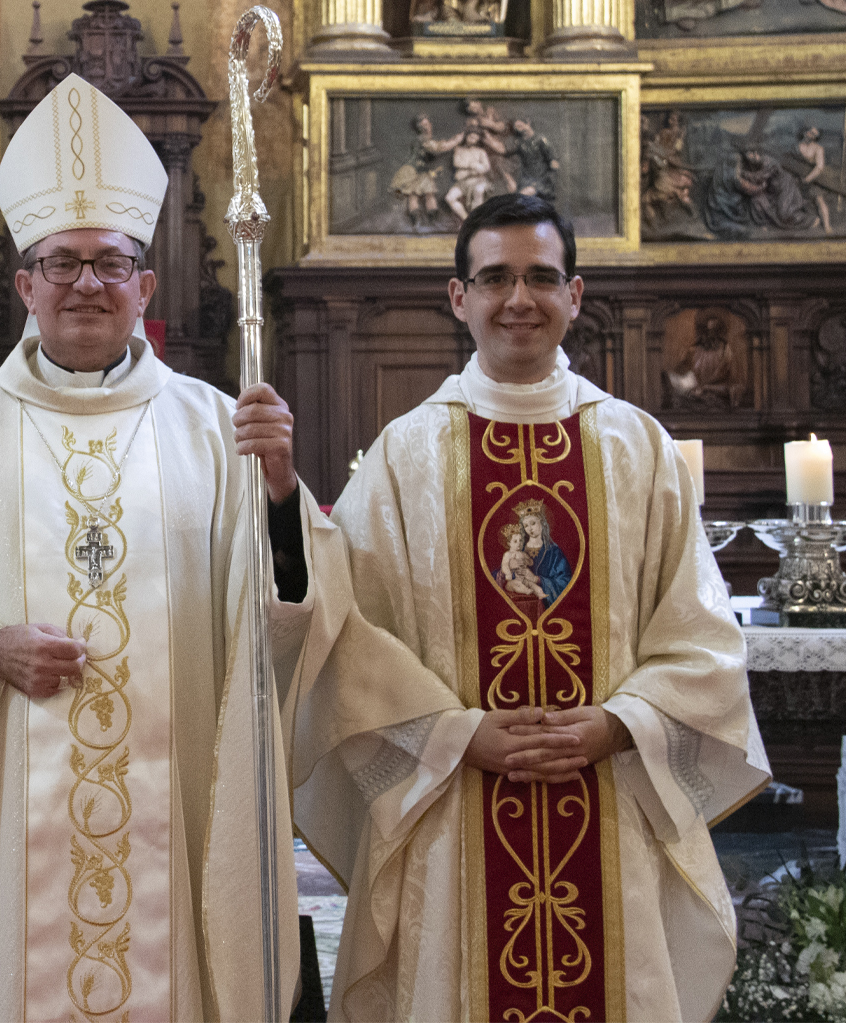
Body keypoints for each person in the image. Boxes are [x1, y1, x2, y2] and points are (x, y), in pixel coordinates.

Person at [0, 72, 375, 1021]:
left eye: (111, 262)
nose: (88, 281)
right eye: (63, 261)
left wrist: (283, 489)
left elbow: (294, 612)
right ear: (25, 286)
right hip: (4, 801)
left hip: (184, 803)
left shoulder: (223, 427)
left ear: (145, 285)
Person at [293, 194, 770, 1021]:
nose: (519, 298)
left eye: (541, 277)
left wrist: (618, 723)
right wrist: (457, 733)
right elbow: (347, 637)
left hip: (610, 798)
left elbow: (703, 639)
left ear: (575, 295)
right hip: (455, 807)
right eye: (495, 278)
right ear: (459, 297)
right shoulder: (408, 452)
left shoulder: (636, 446)